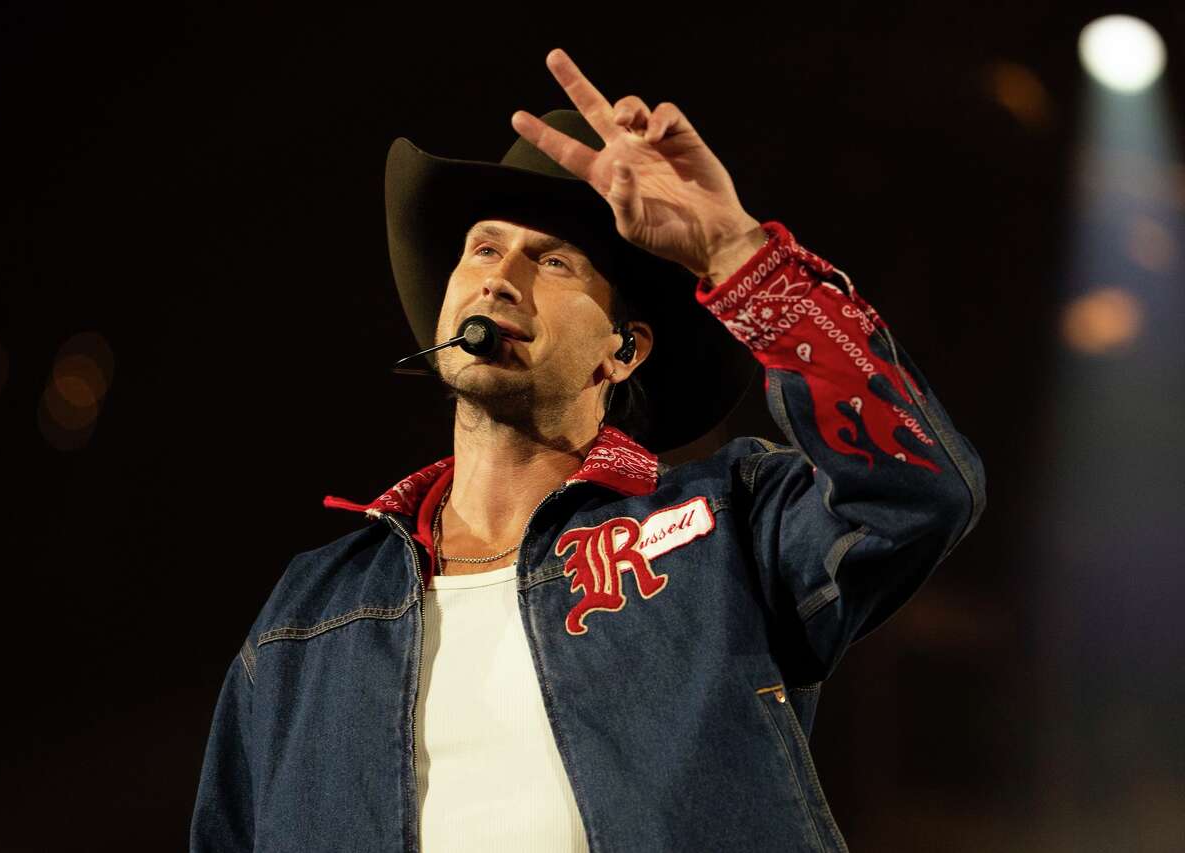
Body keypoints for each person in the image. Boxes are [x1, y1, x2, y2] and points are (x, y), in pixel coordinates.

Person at [189, 47, 986, 852]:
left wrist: (734, 252)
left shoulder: (724, 523)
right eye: (485, 248)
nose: (501, 279)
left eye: (554, 261)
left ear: (624, 350)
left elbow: (916, 492)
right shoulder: (313, 607)